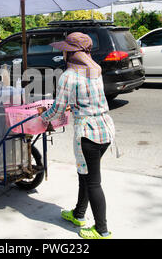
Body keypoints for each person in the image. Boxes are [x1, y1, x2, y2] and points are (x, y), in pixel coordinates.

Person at [37, 32, 117, 239]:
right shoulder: (95, 70)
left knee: (93, 182)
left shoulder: (69, 76)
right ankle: (79, 214)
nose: (62, 52)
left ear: (70, 52)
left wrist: (42, 118)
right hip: (105, 129)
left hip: (88, 134)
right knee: (85, 173)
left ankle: (102, 230)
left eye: (65, 49)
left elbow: (57, 109)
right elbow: (89, 100)